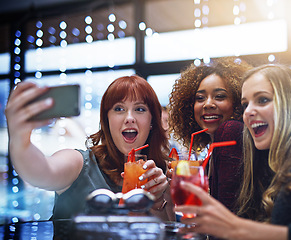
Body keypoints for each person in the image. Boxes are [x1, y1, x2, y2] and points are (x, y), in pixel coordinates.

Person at [174, 64, 291, 240]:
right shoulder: (273, 160)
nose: (248, 112)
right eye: (245, 104)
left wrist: (236, 228)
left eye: (262, 100)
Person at [5, 75, 175, 221]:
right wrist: (20, 139)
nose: (129, 118)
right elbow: (41, 172)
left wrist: (158, 201)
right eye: (119, 109)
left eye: (139, 109)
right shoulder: (80, 164)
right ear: (107, 120)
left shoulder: (161, 174)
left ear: (152, 121)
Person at [168, 57, 253, 212]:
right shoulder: (213, 152)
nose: (208, 104)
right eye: (200, 98)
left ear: (237, 102)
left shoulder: (230, 131)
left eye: (219, 96)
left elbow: (225, 218)